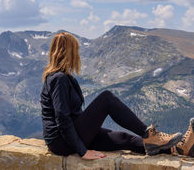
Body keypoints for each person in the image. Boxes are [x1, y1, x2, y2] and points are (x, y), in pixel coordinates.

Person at [40, 32, 194, 160]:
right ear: (71, 53)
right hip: (61, 141)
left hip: (73, 134)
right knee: (106, 99)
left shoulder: (65, 77)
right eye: (77, 51)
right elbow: (62, 118)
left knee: (124, 138)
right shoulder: (58, 79)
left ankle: (178, 149)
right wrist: (83, 151)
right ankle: (149, 134)